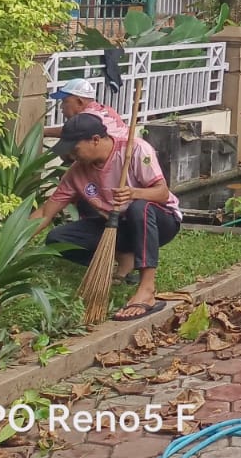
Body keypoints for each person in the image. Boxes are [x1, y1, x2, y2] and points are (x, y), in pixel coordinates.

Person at [30, 111, 180, 320]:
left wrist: (134, 192)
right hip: (118, 226)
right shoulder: (77, 172)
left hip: (160, 220)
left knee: (139, 208)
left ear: (95, 140)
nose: (70, 156)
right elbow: (46, 212)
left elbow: (162, 193)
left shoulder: (135, 149)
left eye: (74, 149)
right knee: (58, 239)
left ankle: (147, 288)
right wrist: (4, 245)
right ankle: (122, 257)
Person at [43, 77, 129, 143]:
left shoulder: (88, 117)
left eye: (65, 101)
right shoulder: (107, 110)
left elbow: (71, 130)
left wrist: (42, 132)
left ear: (79, 101)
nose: (61, 106)